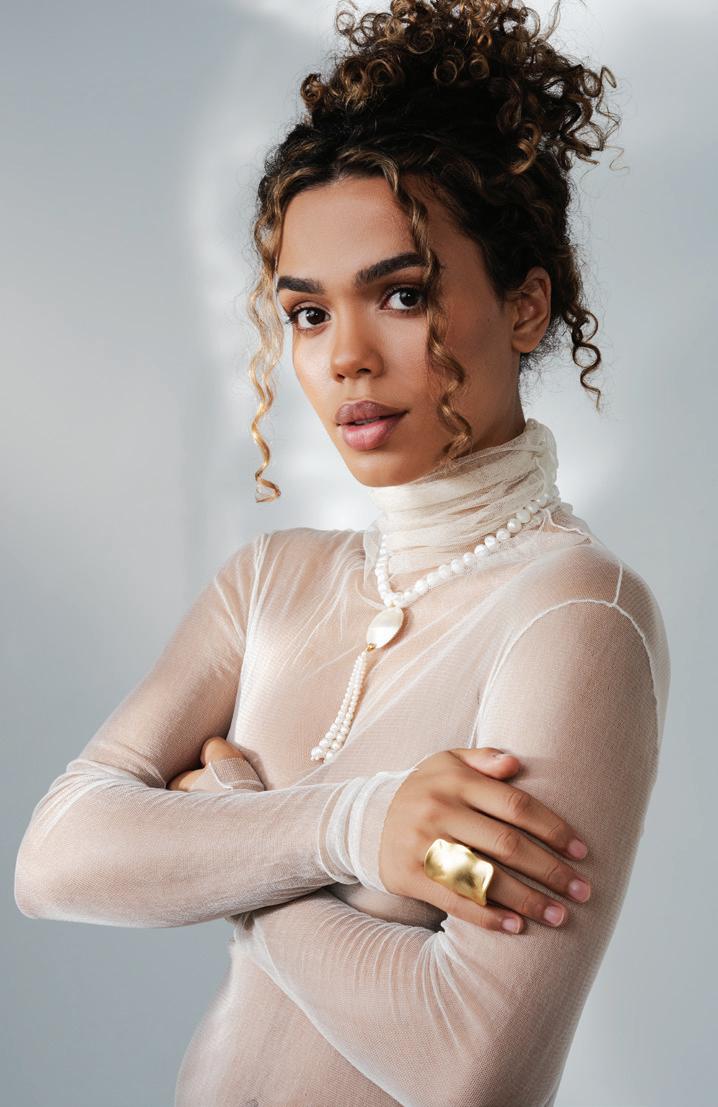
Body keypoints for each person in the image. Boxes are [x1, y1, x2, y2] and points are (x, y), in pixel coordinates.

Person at [13, 1, 670, 1104]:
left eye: (402, 295)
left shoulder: (575, 618)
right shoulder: (271, 583)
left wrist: (225, 836)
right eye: (308, 314)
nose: (347, 358)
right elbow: (55, 860)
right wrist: (352, 826)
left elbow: (467, 1065)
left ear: (525, 306)